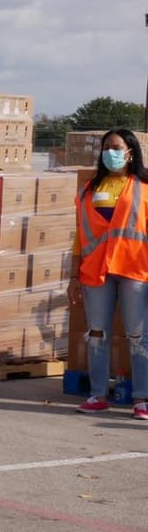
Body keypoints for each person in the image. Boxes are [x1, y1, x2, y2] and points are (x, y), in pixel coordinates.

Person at [70, 128, 148, 420]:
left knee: (139, 335)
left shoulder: (143, 186)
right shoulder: (90, 189)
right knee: (97, 333)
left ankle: (142, 399)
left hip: (134, 269)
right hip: (95, 270)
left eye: (116, 147)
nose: (110, 153)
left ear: (130, 152)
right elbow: (79, 235)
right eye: (106, 148)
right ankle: (98, 395)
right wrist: (73, 276)